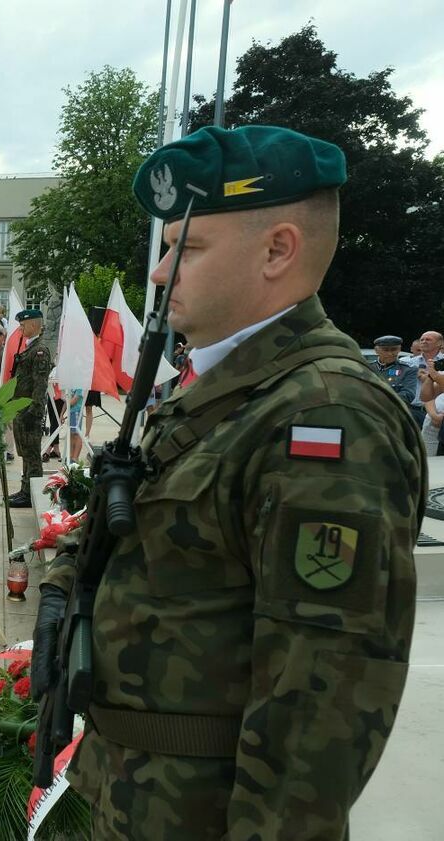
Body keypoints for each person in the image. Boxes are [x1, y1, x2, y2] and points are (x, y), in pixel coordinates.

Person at [33, 124, 426, 840]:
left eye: (189, 248)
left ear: (278, 249)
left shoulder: (325, 417)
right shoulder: (227, 390)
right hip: (136, 794)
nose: (158, 273)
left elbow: (318, 708)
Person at [6, 310, 49, 509]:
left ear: (33, 325)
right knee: (25, 452)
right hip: (21, 408)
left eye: (23, 325)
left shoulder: (40, 350)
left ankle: (33, 494)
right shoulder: (29, 349)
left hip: (30, 410)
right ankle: (25, 490)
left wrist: (35, 409)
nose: (21, 329)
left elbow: (40, 383)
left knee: (32, 454)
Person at [368, 335, 418, 407]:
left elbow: (408, 394)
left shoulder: (408, 369)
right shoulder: (367, 367)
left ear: (399, 349)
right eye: (385, 350)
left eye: (394, 349)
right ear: (376, 351)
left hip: (394, 410)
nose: (390, 353)